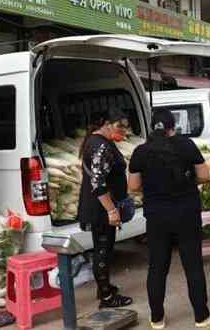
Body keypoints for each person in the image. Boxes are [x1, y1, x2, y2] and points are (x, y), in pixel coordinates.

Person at [128, 109, 210, 329]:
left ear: (153, 127)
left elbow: (132, 186)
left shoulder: (141, 151)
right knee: (193, 264)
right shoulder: (187, 145)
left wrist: (153, 189)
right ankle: (201, 316)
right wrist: (187, 184)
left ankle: (157, 319)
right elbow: (205, 175)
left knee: (157, 266)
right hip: (186, 212)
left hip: (157, 215)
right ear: (172, 127)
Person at [78, 108, 133, 309]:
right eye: (121, 128)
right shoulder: (100, 146)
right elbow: (98, 183)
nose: (124, 133)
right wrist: (111, 210)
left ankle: (104, 287)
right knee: (103, 250)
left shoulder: (99, 142)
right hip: (100, 208)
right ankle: (107, 299)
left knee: (105, 248)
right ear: (108, 124)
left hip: (100, 205)